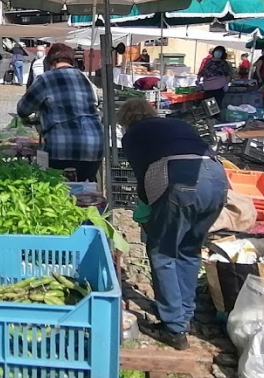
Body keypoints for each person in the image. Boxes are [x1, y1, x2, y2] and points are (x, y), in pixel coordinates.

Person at [117, 99, 227, 350]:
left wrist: (145, 216)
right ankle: (184, 312)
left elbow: (144, 177)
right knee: (189, 248)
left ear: (126, 121)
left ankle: (174, 328)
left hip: (181, 182)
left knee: (162, 251)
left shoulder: (134, 135)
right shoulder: (176, 124)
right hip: (217, 179)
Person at [17, 44, 104, 181]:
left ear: (51, 61)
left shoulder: (45, 79)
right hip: (94, 145)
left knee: (59, 192)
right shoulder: (86, 80)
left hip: (61, 146)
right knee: (86, 192)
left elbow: (23, 109)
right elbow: (95, 104)